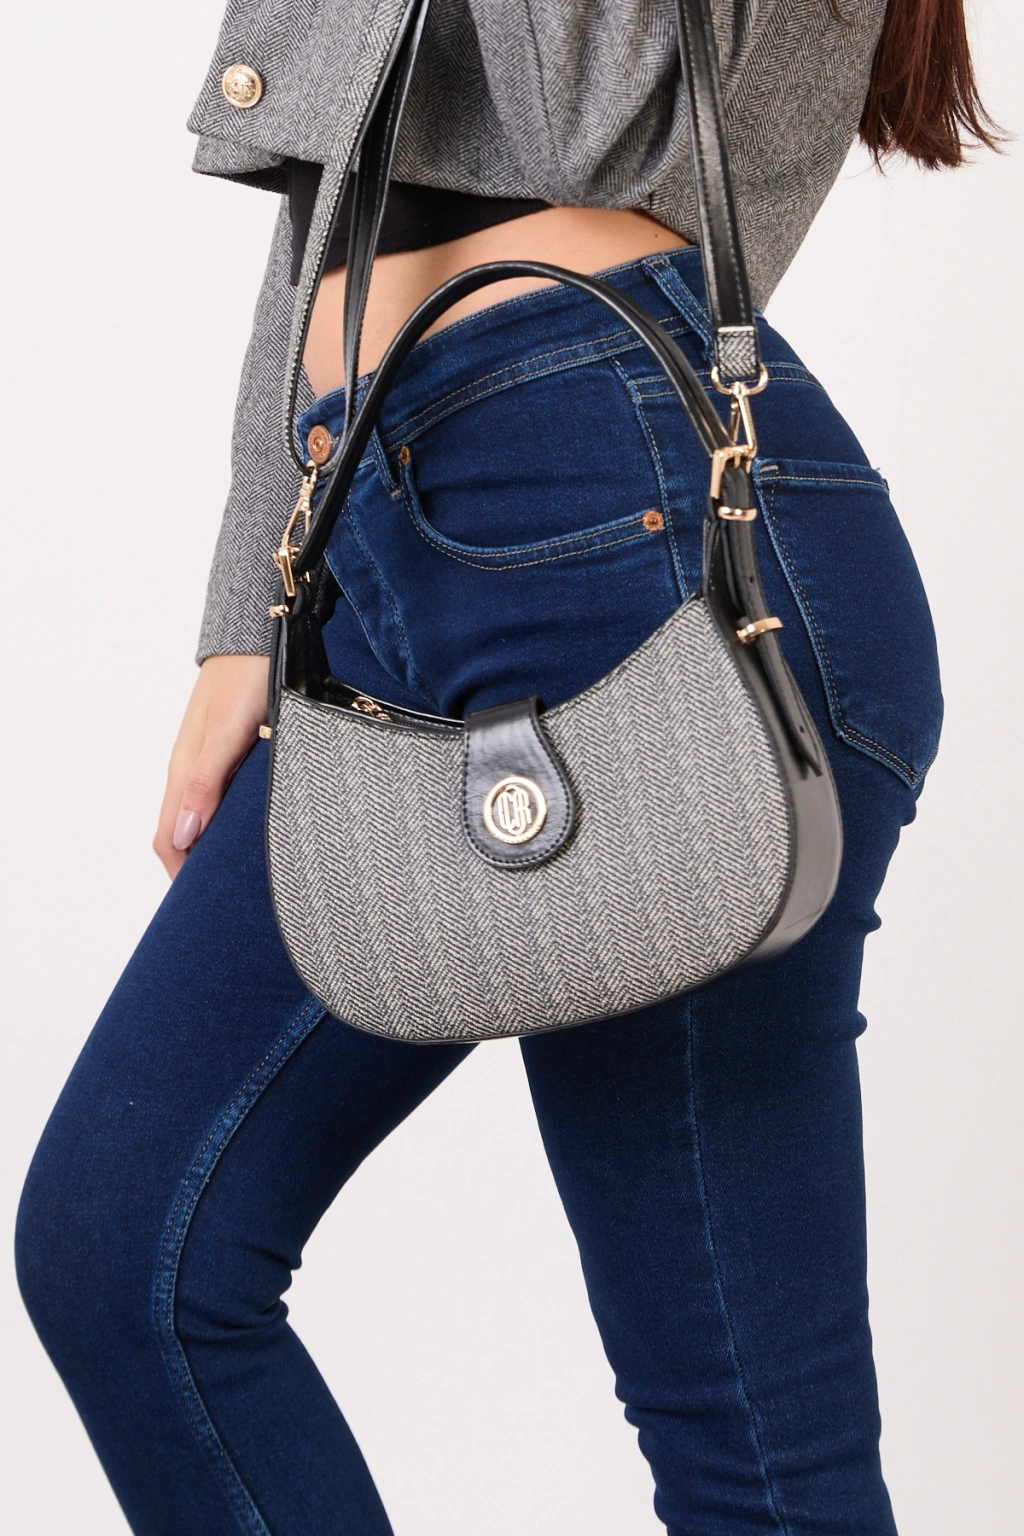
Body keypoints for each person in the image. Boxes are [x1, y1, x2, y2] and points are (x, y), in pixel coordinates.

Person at [15, 2, 998, 1532]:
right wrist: (246, 612)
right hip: (399, 527)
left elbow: (581, 107)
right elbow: (352, 170)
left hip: (628, 534)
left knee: (751, 1454)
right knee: (126, 1246)